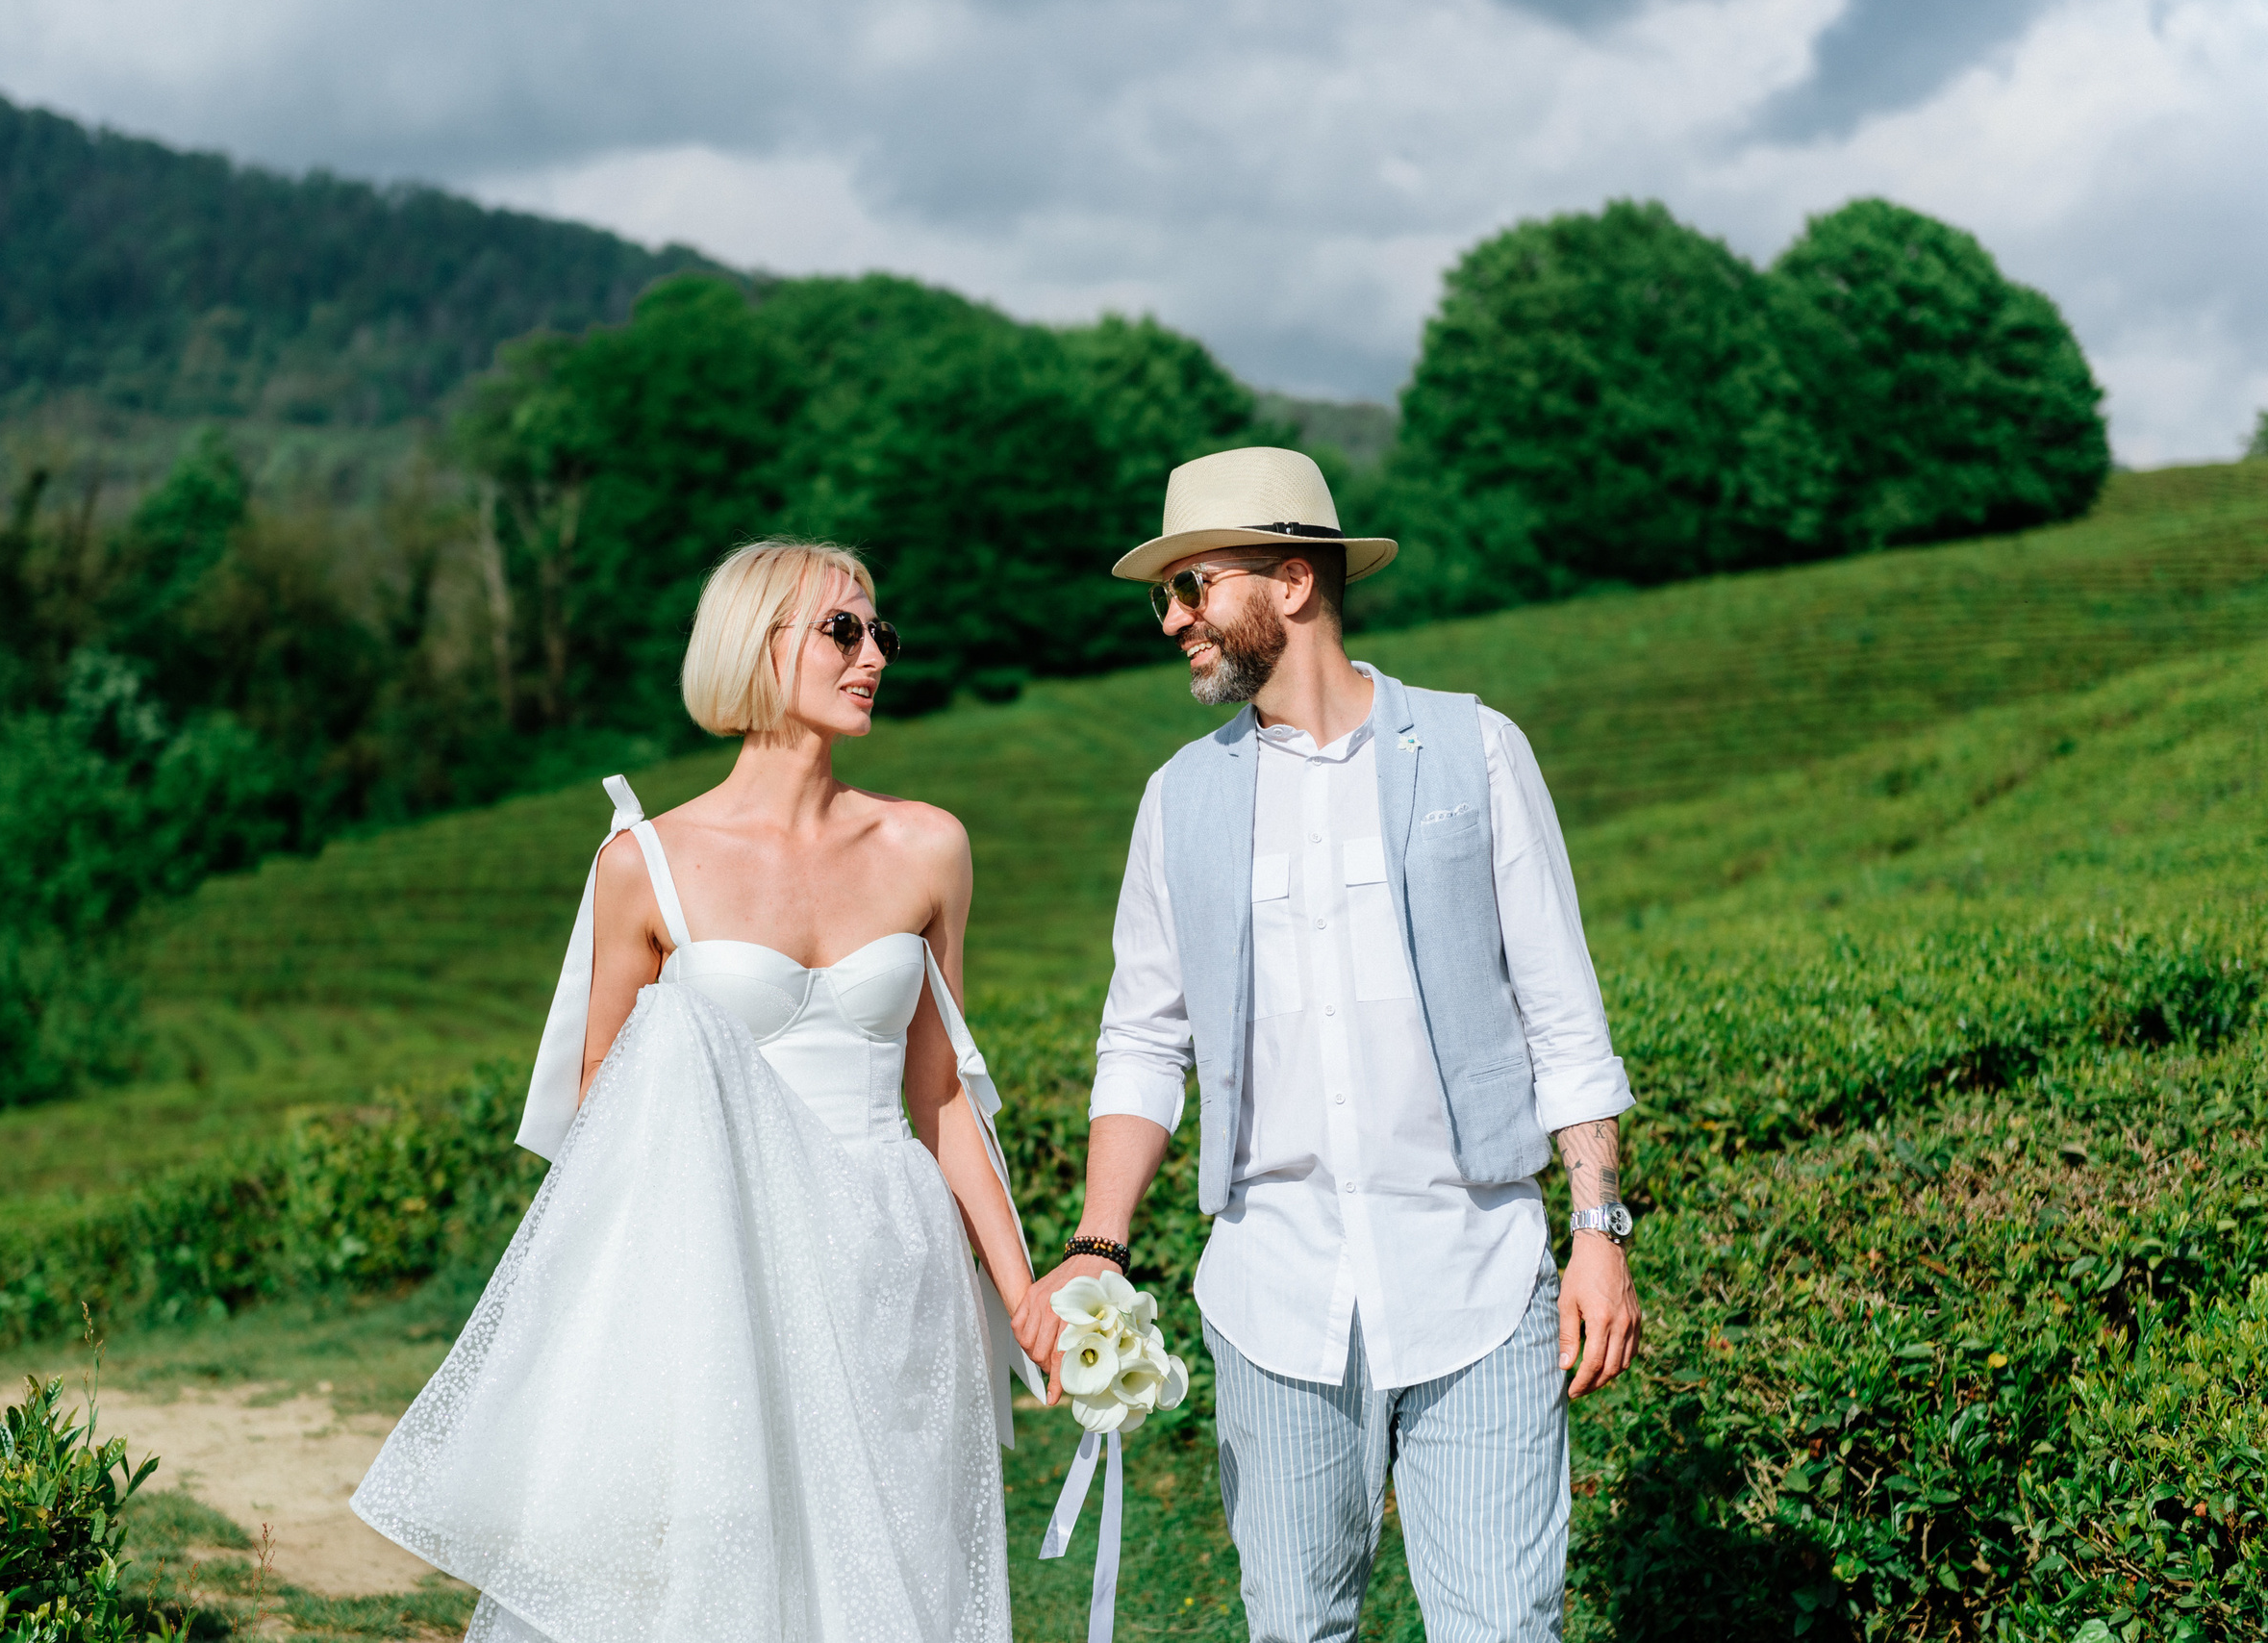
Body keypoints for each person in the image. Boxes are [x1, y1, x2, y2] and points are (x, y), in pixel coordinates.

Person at [354, 539, 1044, 1643]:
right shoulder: (645, 862)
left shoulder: (929, 847)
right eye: (842, 630)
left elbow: (945, 1095)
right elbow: (603, 1126)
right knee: (714, 1582)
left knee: (895, 1585)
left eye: (882, 635)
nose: (874, 656)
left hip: (889, 1267)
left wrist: (1021, 1295)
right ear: (754, 645)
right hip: (721, 1277)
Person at [1015, 448, 1643, 1641]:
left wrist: (1596, 1233)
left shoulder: (1478, 751)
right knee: (1295, 1632)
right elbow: (1144, 1040)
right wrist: (1099, 1240)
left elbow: (1563, 1017)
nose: (1171, 621)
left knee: (1506, 1632)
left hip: (1481, 1281)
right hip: (1275, 1298)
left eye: (1192, 588)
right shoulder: (1176, 800)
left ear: (1291, 582)